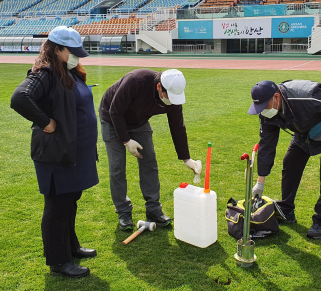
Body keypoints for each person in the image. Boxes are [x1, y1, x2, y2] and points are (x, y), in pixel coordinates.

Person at [11, 26, 98, 278]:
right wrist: (45, 121)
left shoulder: (68, 72)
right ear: (57, 49)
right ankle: (58, 261)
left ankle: (71, 247)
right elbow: (20, 97)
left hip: (73, 154)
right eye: (72, 52)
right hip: (56, 155)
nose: (77, 57)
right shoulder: (46, 73)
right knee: (57, 207)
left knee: (70, 202)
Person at [247, 80, 321, 239]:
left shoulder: (307, 96)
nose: (262, 111)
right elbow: (266, 146)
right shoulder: (267, 112)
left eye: (264, 105)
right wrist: (260, 181)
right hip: (304, 134)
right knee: (290, 165)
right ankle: (287, 210)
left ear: (276, 97)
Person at [99, 69, 202, 231]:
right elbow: (115, 111)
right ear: (159, 87)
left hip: (139, 122)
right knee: (117, 167)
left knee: (149, 161)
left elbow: (177, 127)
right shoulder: (136, 81)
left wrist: (186, 158)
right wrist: (126, 140)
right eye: (168, 96)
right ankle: (123, 211)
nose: (171, 100)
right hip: (112, 118)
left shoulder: (173, 98)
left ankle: (153, 209)